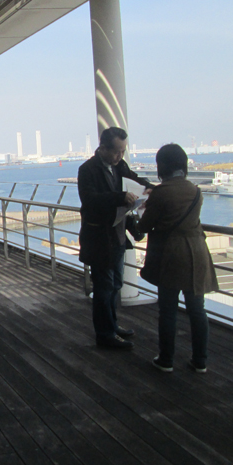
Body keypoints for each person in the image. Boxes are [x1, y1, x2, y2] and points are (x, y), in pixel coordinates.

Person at [137, 143, 218, 373]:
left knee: (168, 309)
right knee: (197, 309)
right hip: (197, 251)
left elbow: (144, 226)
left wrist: (142, 209)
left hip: (171, 254)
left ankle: (166, 359)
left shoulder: (161, 192)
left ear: (161, 166)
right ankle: (200, 360)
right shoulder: (196, 191)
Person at [78, 127, 154, 349]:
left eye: (123, 151)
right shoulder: (87, 170)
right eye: (116, 151)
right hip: (99, 237)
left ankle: (112, 325)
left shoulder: (120, 166)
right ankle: (105, 334)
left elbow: (135, 179)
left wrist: (148, 188)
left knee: (116, 284)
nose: (120, 156)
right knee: (103, 288)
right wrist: (119, 197)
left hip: (117, 235)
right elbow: (89, 200)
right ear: (102, 148)